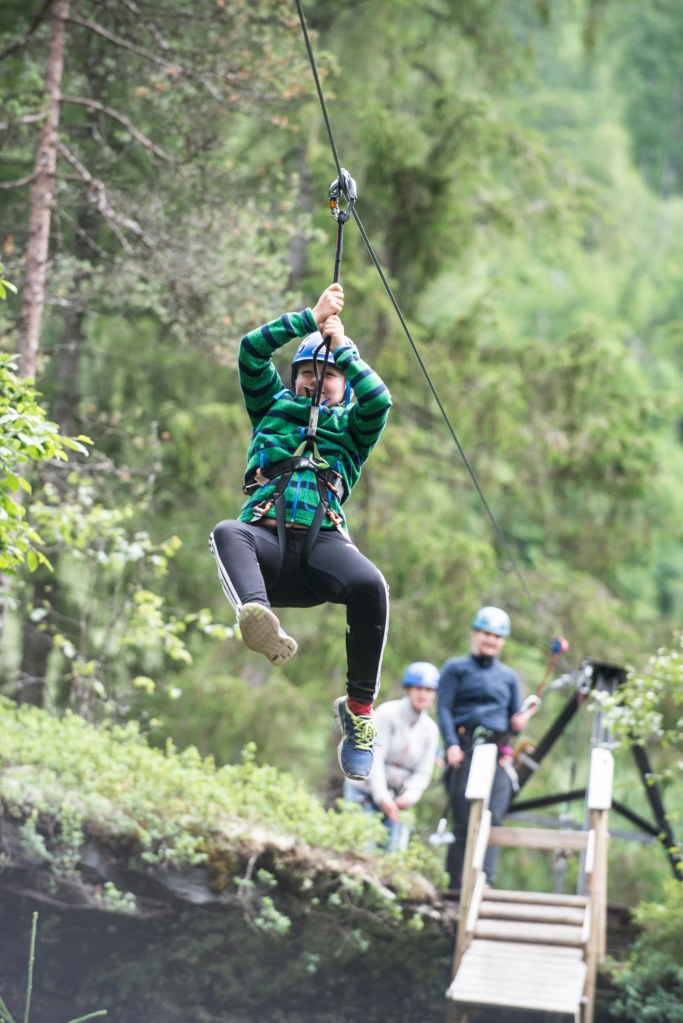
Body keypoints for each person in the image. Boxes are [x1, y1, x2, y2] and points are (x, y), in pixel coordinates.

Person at [209, 282, 392, 781]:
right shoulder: (271, 407)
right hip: (266, 544)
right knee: (228, 531)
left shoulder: (353, 429)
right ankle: (256, 614)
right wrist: (310, 319)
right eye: (308, 372)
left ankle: (359, 713)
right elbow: (251, 351)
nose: (316, 381)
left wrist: (343, 349)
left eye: (328, 375)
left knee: (371, 585)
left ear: (344, 385)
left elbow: (379, 400)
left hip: (321, 547)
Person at [437, 606, 532, 895]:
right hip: (465, 749)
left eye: (497, 636)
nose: (491, 640)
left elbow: (513, 721)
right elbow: (444, 709)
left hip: (496, 752)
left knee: (494, 819)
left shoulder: (509, 677)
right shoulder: (455, 669)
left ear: (502, 641)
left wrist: (518, 724)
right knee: (464, 821)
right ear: (475, 634)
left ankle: (485, 881)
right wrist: (451, 744)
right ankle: (456, 886)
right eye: (486, 634)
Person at [343, 662, 441, 852]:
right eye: (419, 688)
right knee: (361, 849)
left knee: (393, 853)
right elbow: (375, 759)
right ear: (408, 689)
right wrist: (382, 798)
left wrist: (409, 797)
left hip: (398, 798)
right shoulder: (388, 714)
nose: (423, 694)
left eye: (429, 690)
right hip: (364, 791)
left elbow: (423, 772)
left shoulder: (430, 730)